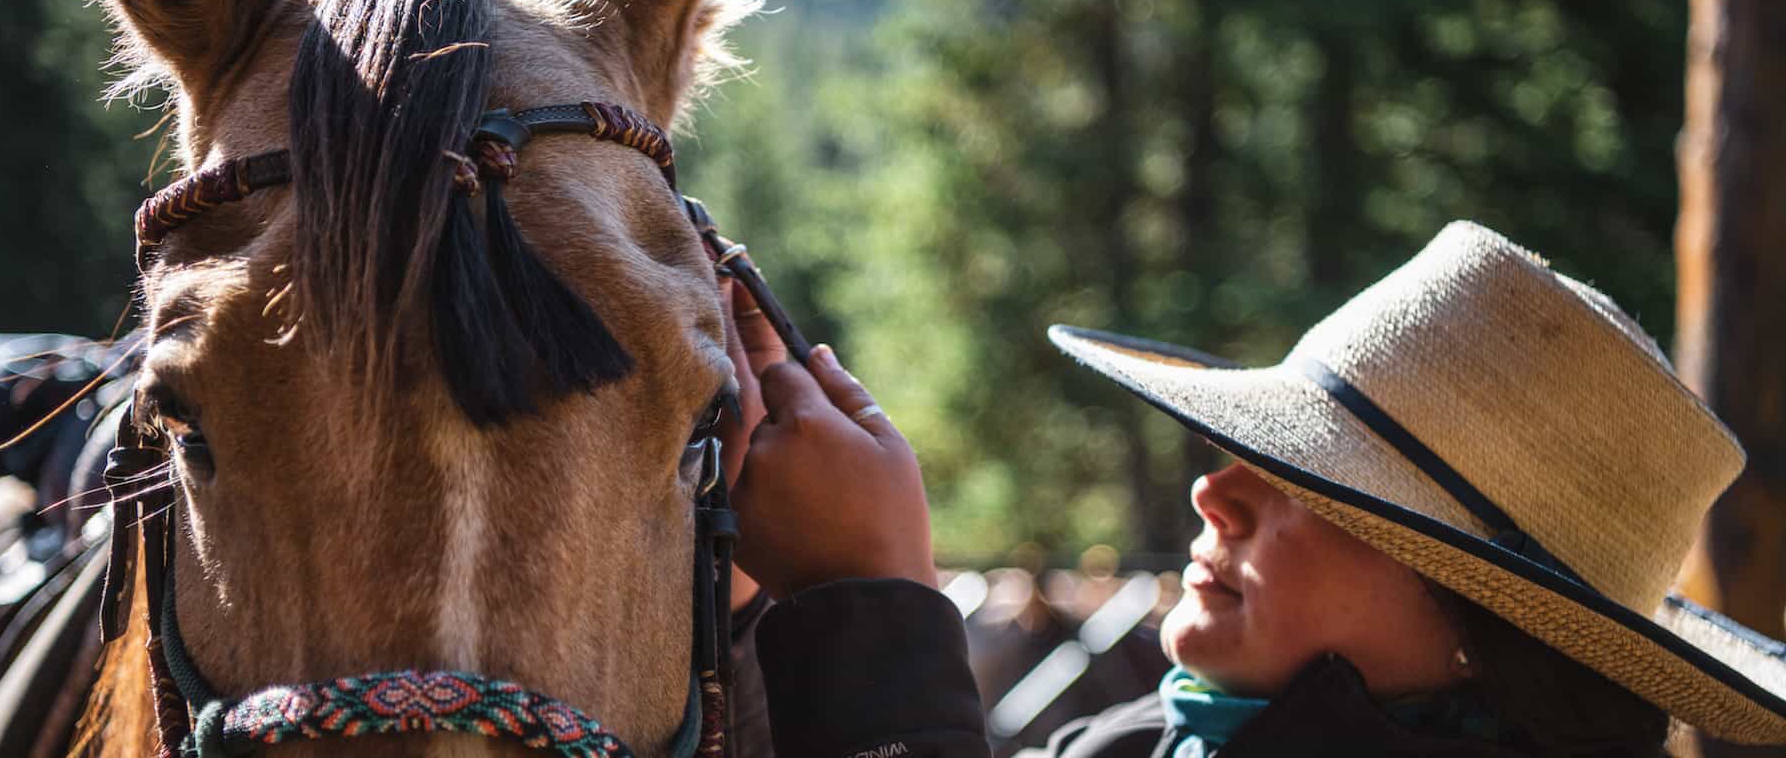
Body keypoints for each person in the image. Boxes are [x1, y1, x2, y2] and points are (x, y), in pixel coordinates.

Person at [719, 221, 1786, 757]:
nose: (1212, 494)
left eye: (1315, 484)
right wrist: (755, 608)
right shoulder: (1147, 738)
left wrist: (864, 597)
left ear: (1485, 620)